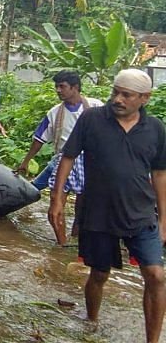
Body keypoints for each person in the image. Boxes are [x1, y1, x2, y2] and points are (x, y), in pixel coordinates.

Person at [49, 69, 166, 342]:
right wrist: (56, 200)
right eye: (116, 92)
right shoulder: (92, 119)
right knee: (99, 273)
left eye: (126, 95)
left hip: (141, 213)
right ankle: (91, 321)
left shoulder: (155, 129)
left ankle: (153, 340)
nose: (118, 99)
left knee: (156, 275)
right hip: (98, 213)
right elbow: (67, 157)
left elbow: (160, 174)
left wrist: (164, 219)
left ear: (144, 98)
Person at [16, 70, 103, 243]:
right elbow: (39, 139)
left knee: (83, 206)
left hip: (90, 161)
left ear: (75, 87)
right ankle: (61, 243)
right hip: (64, 160)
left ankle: (77, 239)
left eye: (62, 86)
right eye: (56, 86)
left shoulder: (96, 107)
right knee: (55, 203)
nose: (58, 90)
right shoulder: (54, 113)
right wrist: (26, 161)